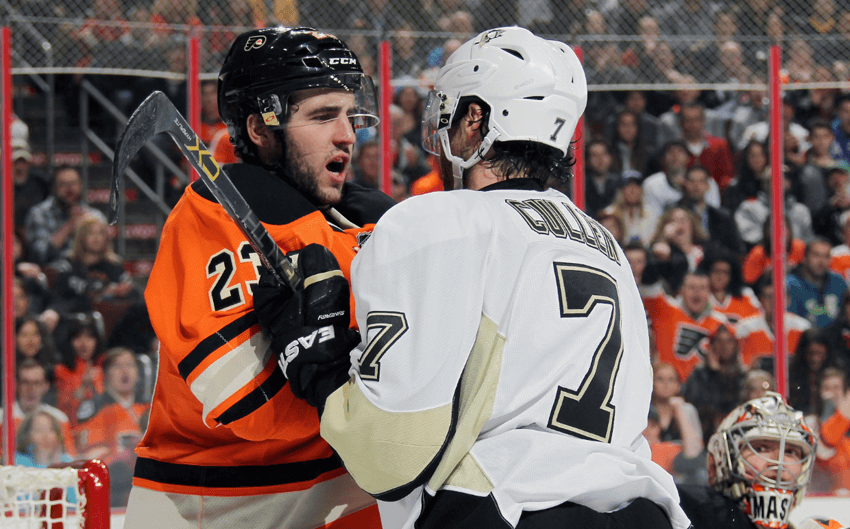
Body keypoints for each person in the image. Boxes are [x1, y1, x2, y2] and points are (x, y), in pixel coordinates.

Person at [254, 26, 690, 529]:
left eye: (449, 110)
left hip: (508, 506)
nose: (441, 131)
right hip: (642, 511)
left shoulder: (440, 221)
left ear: (475, 118)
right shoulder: (604, 244)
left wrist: (321, 369)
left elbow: (391, 457)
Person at [122, 27, 394, 529]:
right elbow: (247, 403)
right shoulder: (210, 218)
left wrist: (336, 370)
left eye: (349, 113)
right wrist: (342, 377)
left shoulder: (368, 220)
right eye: (322, 115)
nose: (348, 134)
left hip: (348, 493)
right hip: (223, 506)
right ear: (259, 128)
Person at [677, 392, 824, 529]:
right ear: (725, 458)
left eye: (790, 452)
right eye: (761, 448)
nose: (779, 462)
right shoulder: (687, 509)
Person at [24, 165, 108, 267]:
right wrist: (70, 225)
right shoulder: (39, 213)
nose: (70, 189)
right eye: (63, 184)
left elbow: (106, 253)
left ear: (81, 185)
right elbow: (39, 256)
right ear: (54, 188)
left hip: (87, 274)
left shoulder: (94, 216)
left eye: (74, 183)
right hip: (52, 275)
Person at [787, 238, 848, 328]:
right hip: (803, 339)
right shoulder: (790, 285)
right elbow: (790, 323)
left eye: (826, 256)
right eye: (816, 255)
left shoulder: (838, 282)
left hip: (835, 338)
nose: (821, 261)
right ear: (804, 257)